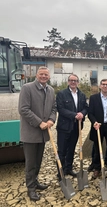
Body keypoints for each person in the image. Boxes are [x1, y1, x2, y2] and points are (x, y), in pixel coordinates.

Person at [18, 66, 57, 201]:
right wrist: (39, 122)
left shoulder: (51, 90)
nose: (44, 76)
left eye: (46, 74)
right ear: (36, 75)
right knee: (30, 163)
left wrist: (52, 120)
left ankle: (35, 182)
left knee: (39, 160)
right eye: (41, 74)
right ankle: (30, 188)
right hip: (30, 132)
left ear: (49, 76)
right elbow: (23, 109)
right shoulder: (27, 88)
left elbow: (53, 108)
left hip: (43, 134)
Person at [56, 74, 88, 179]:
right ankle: (60, 172)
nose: (73, 82)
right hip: (64, 127)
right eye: (71, 80)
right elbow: (60, 109)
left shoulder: (82, 95)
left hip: (76, 127)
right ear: (68, 82)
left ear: (78, 82)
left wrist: (82, 114)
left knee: (71, 149)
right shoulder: (61, 94)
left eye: (75, 80)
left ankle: (68, 168)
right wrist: (74, 115)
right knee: (62, 150)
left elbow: (85, 108)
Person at [88, 79, 107, 180]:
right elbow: (90, 113)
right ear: (100, 86)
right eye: (103, 84)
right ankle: (97, 168)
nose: (105, 86)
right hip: (98, 126)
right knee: (97, 149)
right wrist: (94, 122)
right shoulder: (93, 98)